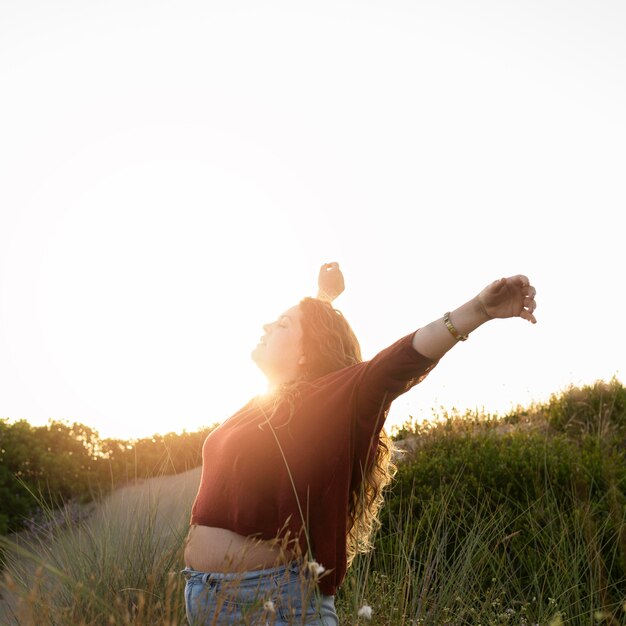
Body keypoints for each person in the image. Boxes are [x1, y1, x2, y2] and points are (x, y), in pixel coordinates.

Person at [182, 263, 538, 625]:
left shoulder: (329, 400)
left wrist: (477, 310)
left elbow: (399, 360)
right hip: (206, 598)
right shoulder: (263, 405)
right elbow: (315, 331)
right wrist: (323, 299)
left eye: (283, 325)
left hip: (277, 603)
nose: (266, 327)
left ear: (307, 351)